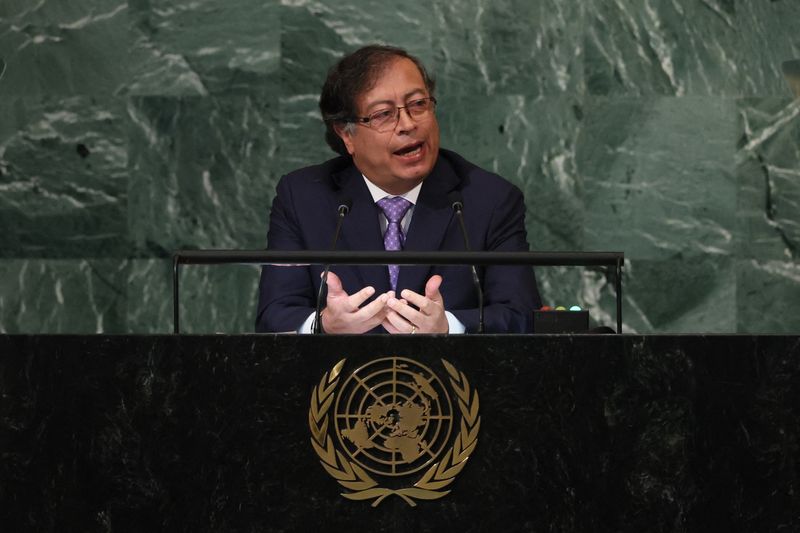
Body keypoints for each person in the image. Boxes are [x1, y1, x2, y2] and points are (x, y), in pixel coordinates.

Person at [255, 45, 540, 334]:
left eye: (418, 104)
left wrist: (449, 326)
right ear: (346, 133)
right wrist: (324, 324)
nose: (407, 124)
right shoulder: (303, 197)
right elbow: (274, 316)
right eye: (383, 115)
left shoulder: (489, 199)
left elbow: (522, 316)